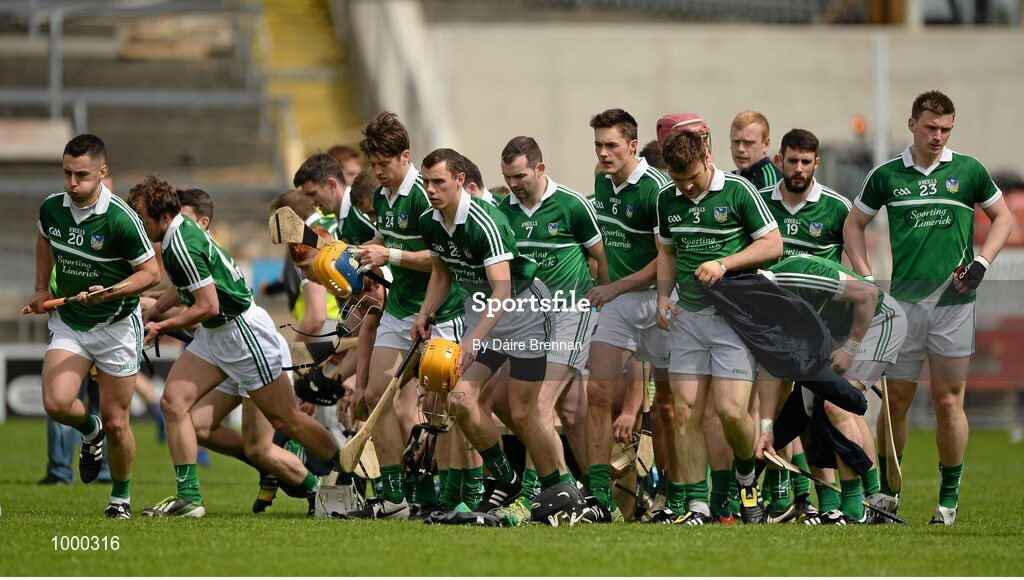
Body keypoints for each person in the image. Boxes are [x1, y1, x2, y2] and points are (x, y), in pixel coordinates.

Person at [843, 90, 1014, 525]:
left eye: (946, 129)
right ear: (912, 124)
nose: (938, 136)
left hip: (954, 305)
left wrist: (980, 262)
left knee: (947, 402)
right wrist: (865, 276)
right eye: (931, 128)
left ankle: (948, 502)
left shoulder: (969, 170)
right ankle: (888, 496)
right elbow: (854, 224)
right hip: (903, 306)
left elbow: (1005, 219)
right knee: (896, 400)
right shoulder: (886, 176)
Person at [127, 177, 340, 518]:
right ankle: (189, 498)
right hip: (218, 335)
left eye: (141, 218)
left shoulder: (179, 241)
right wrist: (155, 309)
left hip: (242, 335)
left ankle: (343, 476)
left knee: (287, 421)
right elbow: (186, 286)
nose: (138, 225)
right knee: (173, 404)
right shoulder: (175, 234)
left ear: (162, 216)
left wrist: (162, 325)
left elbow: (208, 306)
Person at [412, 147, 556, 514]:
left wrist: (473, 337)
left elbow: (504, 289)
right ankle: (506, 478)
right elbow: (443, 272)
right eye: (426, 182)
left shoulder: (483, 221)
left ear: (460, 180)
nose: (430, 189)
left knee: (523, 412)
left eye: (438, 182)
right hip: (485, 311)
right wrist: (425, 312)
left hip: (523, 311)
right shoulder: (431, 220)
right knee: (459, 398)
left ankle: (558, 487)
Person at [28, 134, 161, 518]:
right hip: (70, 323)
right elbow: (43, 238)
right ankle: (91, 431)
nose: (72, 183)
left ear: (102, 172)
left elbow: (150, 272)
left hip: (116, 325)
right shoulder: (52, 209)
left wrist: (111, 292)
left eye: (82, 175)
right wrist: (40, 287)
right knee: (56, 403)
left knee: (120, 422)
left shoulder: (120, 217)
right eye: (67, 174)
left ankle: (120, 498)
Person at [655, 129, 782, 525]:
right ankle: (697, 505)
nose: (688, 186)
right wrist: (663, 296)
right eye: (680, 180)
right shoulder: (666, 199)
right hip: (689, 318)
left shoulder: (740, 191)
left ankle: (746, 480)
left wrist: (725, 263)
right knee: (684, 411)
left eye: (693, 175)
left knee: (730, 411)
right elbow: (666, 252)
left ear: (707, 157)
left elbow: (773, 245)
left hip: (734, 318)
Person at [348, 112, 465, 519]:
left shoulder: (424, 193)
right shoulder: (382, 196)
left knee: (443, 405)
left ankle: (451, 496)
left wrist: (389, 255)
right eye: (373, 165)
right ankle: (394, 496)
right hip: (399, 311)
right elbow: (387, 237)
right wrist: (367, 248)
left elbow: (441, 259)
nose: (378, 172)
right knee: (372, 397)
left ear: (405, 156)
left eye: (384, 164)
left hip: (441, 313)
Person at [495, 136, 608, 510]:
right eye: (508, 177)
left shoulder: (571, 204)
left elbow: (600, 258)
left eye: (521, 176)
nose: (514, 184)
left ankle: (533, 495)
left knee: (538, 403)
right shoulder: (502, 211)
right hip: (529, 320)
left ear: (540, 169)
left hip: (569, 312)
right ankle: (593, 494)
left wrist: (602, 305)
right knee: (572, 411)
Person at [755, 255, 907, 524]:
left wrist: (850, 349)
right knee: (806, 407)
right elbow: (769, 369)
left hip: (879, 322)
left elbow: (869, 295)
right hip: (835, 332)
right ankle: (834, 505)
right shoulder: (762, 307)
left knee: (837, 405)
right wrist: (767, 427)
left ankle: (856, 508)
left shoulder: (798, 274)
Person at [757, 128, 853, 520]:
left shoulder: (836, 207)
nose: (798, 168)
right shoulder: (760, 203)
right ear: (779, 160)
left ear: (817, 163)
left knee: (826, 412)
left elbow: (856, 270)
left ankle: (841, 502)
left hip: (822, 331)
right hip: (773, 330)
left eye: (805, 161)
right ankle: (779, 496)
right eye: (791, 160)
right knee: (776, 417)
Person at [584, 108, 675, 522]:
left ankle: (674, 494)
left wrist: (614, 286)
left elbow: (665, 259)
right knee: (597, 393)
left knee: (669, 407)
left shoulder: (656, 190)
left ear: (633, 145)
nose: (603, 153)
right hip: (620, 304)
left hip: (661, 301)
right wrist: (605, 286)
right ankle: (600, 498)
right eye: (599, 145)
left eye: (611, 145)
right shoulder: (601, 182)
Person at [730, 111, 782, 190]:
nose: (740, 149)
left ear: (766, 144)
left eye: (748, 142)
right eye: (736, 141)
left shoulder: (769, 182)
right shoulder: (741, 177)